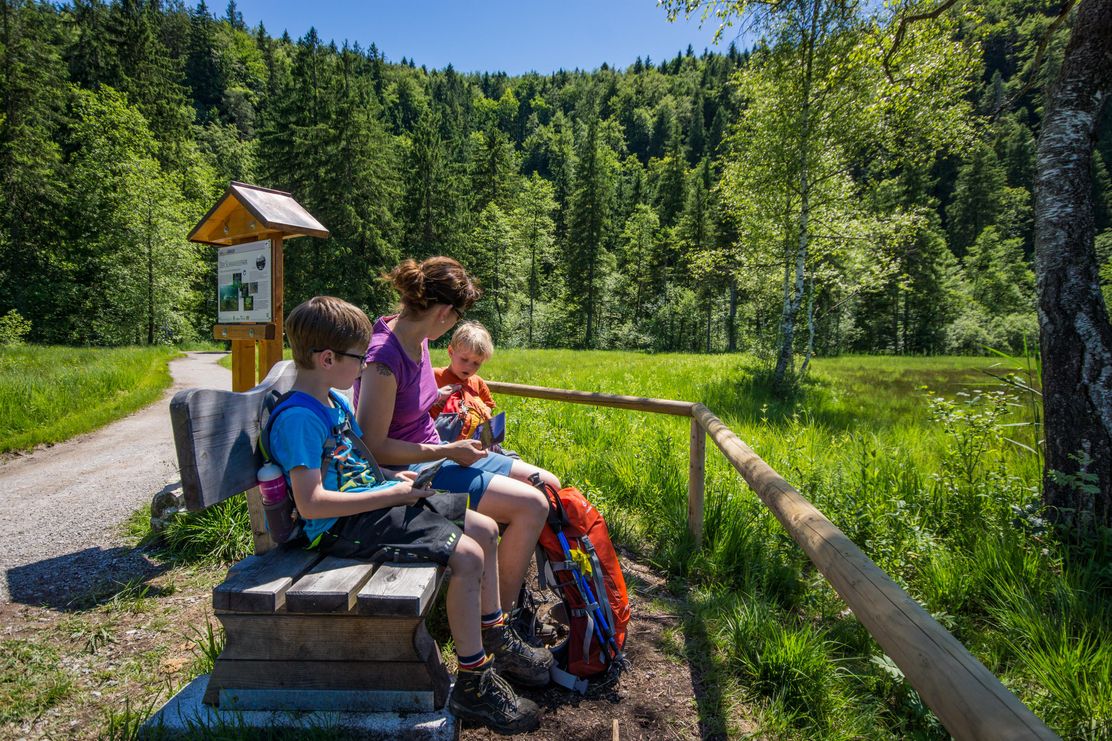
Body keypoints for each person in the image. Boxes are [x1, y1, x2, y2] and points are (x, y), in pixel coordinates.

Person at [267, 296, 541, 733]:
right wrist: (390, 496)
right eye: (359, 358)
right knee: (467, 557)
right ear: (326, 358)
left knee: (486, 528)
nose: (364, 366)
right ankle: (473, 681)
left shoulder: (331, 404)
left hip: (377, 499)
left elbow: (358, 466)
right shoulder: (300, 418)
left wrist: (399, 483)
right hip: (341, 526)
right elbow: (311, 503)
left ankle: (492, 635)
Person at [353, 258, 560, 644]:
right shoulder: (384, 358)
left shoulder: (416, 337)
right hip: (414, 469)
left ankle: (503, 609)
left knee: (547, 484)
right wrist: (449, 450)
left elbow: (411, 410)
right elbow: (373, 446)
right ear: (446, 313)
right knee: (532, 506)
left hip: (440, 452)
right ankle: (502, 625)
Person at [429, 321, 510, 452]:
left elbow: (489, 405)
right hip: (444, 444)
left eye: (476, 363)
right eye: (464, 359)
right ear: (451, 352)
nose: (469, 367)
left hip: (478, 442)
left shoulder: (477, 382)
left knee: (514, 459)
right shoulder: (434, 376)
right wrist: (436, 398)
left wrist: (480, 411)